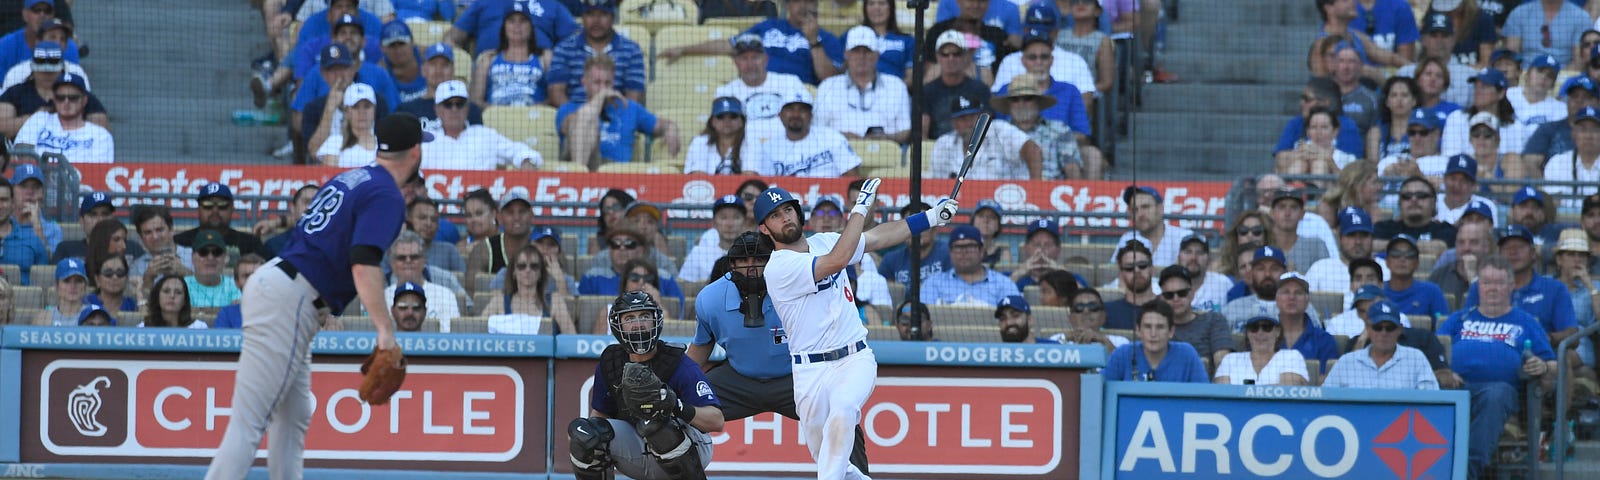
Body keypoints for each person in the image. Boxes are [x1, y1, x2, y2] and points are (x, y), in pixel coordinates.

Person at [206, 113, 427, 479]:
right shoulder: (387, 193)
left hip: (283, 287)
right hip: (292, 296)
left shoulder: (354, 177)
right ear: (416, 152)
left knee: (294, 415)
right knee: (249, 423)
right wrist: (385, 331)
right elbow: (364, 261)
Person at [756, 182, 957, 479]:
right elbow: (838, 260)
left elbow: (877, 236)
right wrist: (859, 210)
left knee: (843, 412)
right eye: (775, 215)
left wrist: (930, 218)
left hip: (854, 358)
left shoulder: (825, 240)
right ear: (764, 229)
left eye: (788, 209)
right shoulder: (778, 267)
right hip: (809, 373)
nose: (785, 217)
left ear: (798, 213)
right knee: (834, 462)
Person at [687, 231, 871, 473]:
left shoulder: (796, 285)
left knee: (842, 418)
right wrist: (673, 387)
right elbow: (700, 349)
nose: (751, 267)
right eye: (743, 261)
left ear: (773, 259)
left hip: (796, 377)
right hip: (738, 380)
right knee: (679, 411)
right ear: (731, 264)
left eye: (759, 260)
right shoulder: (710, 298)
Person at [567, 291, 722, 480]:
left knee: (658, 427)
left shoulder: (678, 363)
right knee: (584, 435)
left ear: (656, 320)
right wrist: (585, 441)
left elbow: (717, 421)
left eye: (645, 316)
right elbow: (599, 417)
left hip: (690, 446)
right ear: (618, 325)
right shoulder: (610, 363)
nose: (638, 324)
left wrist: (677, 406)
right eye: (630, 318)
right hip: (638, 448)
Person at [1439, 254, 1558, 478]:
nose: (1492, 289)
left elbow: (1552, 364)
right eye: (1486, 282)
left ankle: (1466, 471)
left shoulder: (1526, 322)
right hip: (1455, 388)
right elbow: (1434, 352)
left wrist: (1542, 366)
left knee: (1497, 394)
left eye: (1499, 283)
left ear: (1511, 286)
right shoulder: (1458, 319)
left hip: (1498, 391)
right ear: (1478, 286)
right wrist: (1444, 370)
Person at [658, 0, 842, 85]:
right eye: (797, 1)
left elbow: (830, 79)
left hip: (798, 99)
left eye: (809, 1)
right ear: (787, 6)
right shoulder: (768, 26)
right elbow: (730, 45)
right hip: (761, 88)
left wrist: (813, 41)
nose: (803, 6)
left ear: (816, 5)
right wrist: (684, 49)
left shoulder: (827, 38)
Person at [1461, 225, 1579, 347]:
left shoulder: (1554, 289)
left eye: (1520, 247)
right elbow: (1464, 327)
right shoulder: (1480, 287)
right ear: (1499, 254)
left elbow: (1572, 334)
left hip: (1537, 357)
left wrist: (1546, 338)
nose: (1513, 252)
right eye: (1507, 248)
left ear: (1533, 253)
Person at [556, 54, 680, 170]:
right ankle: (578, 178)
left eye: (607, 83)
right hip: (586, 167)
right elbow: (570, 126)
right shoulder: (568, 109)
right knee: (586, 118)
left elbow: (661, 125)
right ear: (584, 83)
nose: (603, 89)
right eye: (597, 83)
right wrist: (599, 99)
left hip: (617, 172)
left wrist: (671, 128)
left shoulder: (629, 108)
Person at [814, 26, 912, 142]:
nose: (861, 57)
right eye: (856, 51)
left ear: (877, 55)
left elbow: (906, 131)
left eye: (867, 52)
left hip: (881, 155)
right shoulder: (828, 86)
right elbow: (815, 130)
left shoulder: (896, 86)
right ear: (846, 54)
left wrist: (885, 138)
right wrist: (840, 137)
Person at [422, 80, 542, 170]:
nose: (454, 109)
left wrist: (526, 161)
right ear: (437, 109)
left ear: (467, 108)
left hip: (481, 200)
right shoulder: (427, 140)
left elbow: (520, 151)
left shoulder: (484, 135)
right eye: (448, 104)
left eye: (460, 104)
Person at [1323, 299, 1441, 389]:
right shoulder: (1347, 362)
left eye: (1390, 328)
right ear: (1368, 328)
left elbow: (1431, 400)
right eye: (1377, 327)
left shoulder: (1415, 359)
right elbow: (1326, 399)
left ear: (1399, 329)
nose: (1383, 333)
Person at [547, 0, 645, 105]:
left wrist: (618, 119)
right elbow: (556, 91)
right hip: (576, 116)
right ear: (582, 17)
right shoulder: (564, 49)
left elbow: (634, 96)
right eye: (590, 14)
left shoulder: (631, 50)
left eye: (603, 14)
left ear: (612, 17)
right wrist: (576, 116)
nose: (596, 21)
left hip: (616, 116)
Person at [993, 74, 1089, 179]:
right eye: (1015, 99)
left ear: (1038, 102)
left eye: (1028, 98)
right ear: (1008, 104)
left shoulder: (1060, 130)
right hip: (1005, 191)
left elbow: (1073, 171)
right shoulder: (997, 134)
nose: (1021, 104)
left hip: (1049, 191)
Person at [930, 94, 1042, 179]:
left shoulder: (1000, 130)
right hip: (959, 205)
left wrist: (1034, 188)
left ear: (983, 117)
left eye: (972, 117)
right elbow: (936, 184)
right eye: (962, 119)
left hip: (1004, 202)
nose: (969, 124)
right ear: (954, 123)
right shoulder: (943, 144)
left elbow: (1033, 150)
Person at [708, 33, 812, 124]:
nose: (750, 64)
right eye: (744, 58)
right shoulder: (725, 93)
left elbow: (808, 118)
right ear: (736, 62)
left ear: (765, 60)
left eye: (755, 57)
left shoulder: (790, 83)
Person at [13, 72, 111, 164]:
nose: (66, 102)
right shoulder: (39, 119)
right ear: (54, 99)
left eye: (73, 98)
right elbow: (21, 152)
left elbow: (98, 171)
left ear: (84, 101)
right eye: (61, 97)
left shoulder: (100, 135)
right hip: (37, 180)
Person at [1101, 301, 1210, 383]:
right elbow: (1101, 389)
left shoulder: (1187, 354)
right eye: (1148, 327)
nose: (1153, 334)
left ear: (1171, 331)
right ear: (1138, 330)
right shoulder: (1122, 354)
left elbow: (1204, 395)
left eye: (1160, 327)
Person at [470, 2, 553, 107]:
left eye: (523, 21)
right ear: (504, 27)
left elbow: (553, 98)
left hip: (533, 118)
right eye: (511, 21)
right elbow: (475, 100)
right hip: (495, 117)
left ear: (531, 27)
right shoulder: (488, 58)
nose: (517, 26)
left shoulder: (545, 57)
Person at [481, 244, 576, 334]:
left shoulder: (555, 301)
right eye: (522, 266)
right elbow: (478, 332)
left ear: (540, 273)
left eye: (534, 266)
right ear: (514, 272)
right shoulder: (499, 301)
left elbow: (572, 338)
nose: (528, 270)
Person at [920, 224, 1021, 306]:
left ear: (981, 251)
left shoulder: (1004, 284)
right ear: (950, 252)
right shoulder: (933, 284)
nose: (963, 252)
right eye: (958, 247)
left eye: (970, 246)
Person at [919, 30, 991, 140]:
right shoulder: (927, 91)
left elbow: (986, 127)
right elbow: (922, 133)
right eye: (945, 54)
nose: (950, 59)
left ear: (965, 56)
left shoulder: (980, 89)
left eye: (956, 53)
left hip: (973, 147)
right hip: (938, 148)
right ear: (937, 57)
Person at [384, 230, 462, 326]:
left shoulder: (445, 296)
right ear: (392, 263)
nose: (408, 261)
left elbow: (449, 336)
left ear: (424, 261)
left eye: (414, 257)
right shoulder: (381, 298)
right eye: (401, 258)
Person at [1160, 265, 1233, 367]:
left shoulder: (1213, 320)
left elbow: (1223, 366)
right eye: (1169, 295)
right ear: (1162, 298)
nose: (1176, 299)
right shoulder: (1155, 326)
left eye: (1182, 293)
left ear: (1192, 294)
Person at [1306, 206, 1389, 295]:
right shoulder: (1320, 269)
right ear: (1339, 237)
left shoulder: (1387, 269)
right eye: (1351, 235)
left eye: (1364, 235)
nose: (1358, 242)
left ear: (1372, 237)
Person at [175, 183, 271, 258]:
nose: (215, 211)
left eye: (222, 205)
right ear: (198, 209)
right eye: (208, 205)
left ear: (232, 209)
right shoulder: (180, 242)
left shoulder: (250, 243)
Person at [1214, 315, 1311, 385]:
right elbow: (1222, 392)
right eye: (1254, 328)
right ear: (1247, 333)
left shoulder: (1291, 356)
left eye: (1266, 327)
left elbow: (1287, 390)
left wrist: (1246, 392)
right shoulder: (1230, 359)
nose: (1260, 333)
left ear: (1277, 332)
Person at [1554, 228, 1600, 368]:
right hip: (1549, 339)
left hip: (1580, 346)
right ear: (1559, 259)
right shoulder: (1546, 284)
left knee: (1562, 356)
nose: (1577, 259)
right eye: (1571, 254)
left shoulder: (1595, 287)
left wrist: (1589, 285)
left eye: (1582, 255)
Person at [680, 195, 750, 283]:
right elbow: (686, 287)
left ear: (744, 222)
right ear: (714, 222)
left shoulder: (753, 254)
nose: (729, 224)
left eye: (736, 217)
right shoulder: (698, 253)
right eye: (723, 218)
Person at [684, 97, 761, 175]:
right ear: (712, 121)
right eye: (720, 116)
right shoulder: (699, 142)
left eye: (733, 116)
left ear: (742, 121)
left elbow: (749, 177)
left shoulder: (751, 142)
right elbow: (697, 176)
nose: (727, 121)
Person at [1503, 0, 1590, 66]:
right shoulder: (1519, 13)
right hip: (1525, 73)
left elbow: (1579, 61)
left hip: (1564, 75)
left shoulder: (1581, 17)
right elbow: (1512, 56)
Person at [1382, 234, 1452, 317]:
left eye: (1409, 254)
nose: (1402, 259)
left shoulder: (1432, 292)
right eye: (1395, 254)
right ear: (1387, 261)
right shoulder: (1377, 291)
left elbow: (1441, 323)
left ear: (1417, 263)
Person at [1545, 106, 1600, 207]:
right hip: (1565, 221)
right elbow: (1553, 206)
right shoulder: (1557, 163)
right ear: (1573, 134)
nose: (1588, 136)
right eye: (1583, 130)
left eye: (1595, 130)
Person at [0, 177, 47, 285]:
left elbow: (44, 282)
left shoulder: (33, 240)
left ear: (12, 203)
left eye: (4, 200)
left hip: (23, 301)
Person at [1103, 239, 1156, 330]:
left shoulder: (1170, 307)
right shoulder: (1107, 311)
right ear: (1121, 274)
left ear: (1152, 269)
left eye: (1142, 265)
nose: (1137, 271)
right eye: (1129, 268)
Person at [1058, 287, 1129, 352]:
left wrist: (1104, 342)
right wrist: (1064, 339)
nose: (1086, 311)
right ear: (1071, 318)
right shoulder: (1058, 338)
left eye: (1093, 307)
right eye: (1079, 307)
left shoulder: (1120, 341)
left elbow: (1125, 365)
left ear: (1104, 317)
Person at [1368, 76, 1422, 161]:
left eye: (1404, 95)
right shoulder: (1376, 133)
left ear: (1414, 101)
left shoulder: (1423, 132)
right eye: (1394, 95)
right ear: (1387, 102)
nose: (1399, 99)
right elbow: (1372, 166)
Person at [185, 230, 243, 308]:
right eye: (203, 252)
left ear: (225, 258)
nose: (210, 258)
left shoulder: (235, 286)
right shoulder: (181, 286)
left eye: (217, 252)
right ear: (192, 257)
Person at [211, 254, 266, 329]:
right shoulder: (227, 314)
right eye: (246, 276)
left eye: (257, 275)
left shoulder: (279, 313)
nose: (252, 280)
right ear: (236, 282)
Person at [34, 258, 88, 326]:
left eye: (78, 281)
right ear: (57, 286)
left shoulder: (95, 316)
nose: (73, 286)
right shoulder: (43, 318)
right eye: (67, 281)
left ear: (85, 286)